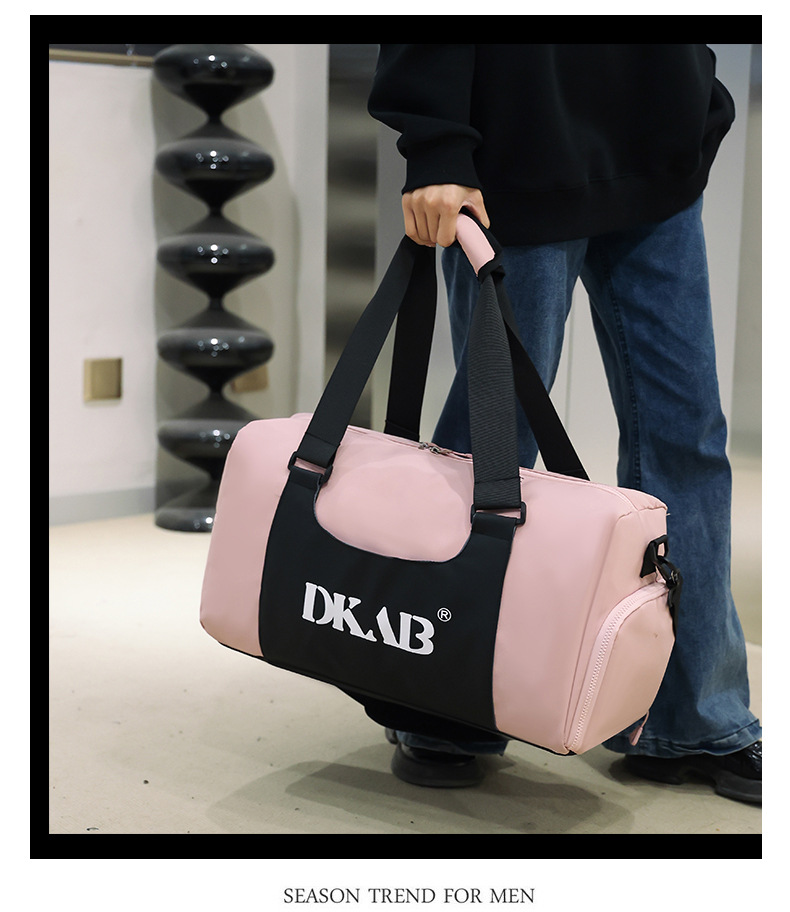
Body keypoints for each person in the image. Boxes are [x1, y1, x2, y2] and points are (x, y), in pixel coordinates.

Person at [367, 43, 762, 803]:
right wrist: (437, 144)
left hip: (659, 153)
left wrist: (696, 98)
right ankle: (444, 708)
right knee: (494, 444)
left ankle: (693, 716)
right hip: (514, 157)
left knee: (689, 439)